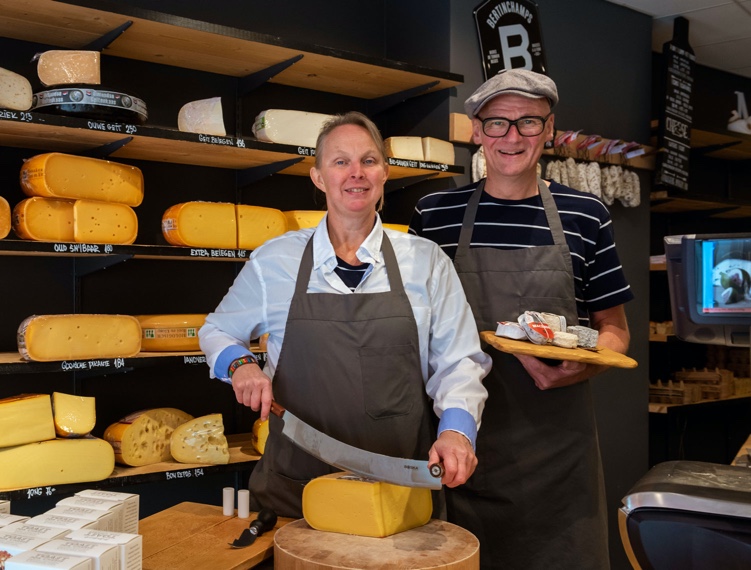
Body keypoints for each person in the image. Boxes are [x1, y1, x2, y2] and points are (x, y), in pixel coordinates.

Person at [199, 111, 490, 519]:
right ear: (318, 177)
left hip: (398, 493)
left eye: (368, 161)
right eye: (340, 162)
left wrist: (458, 433)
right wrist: (242, 365)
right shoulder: (275, 261)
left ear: (384, 173)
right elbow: (217, 330)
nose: (356, 173)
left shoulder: (425, 261)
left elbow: (459, 362)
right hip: (296, 492)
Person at [409, 69, 633, 569]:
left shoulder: (586, 215)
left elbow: (615, 329)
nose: (512, 137)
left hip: (557, 460)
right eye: (497, 123)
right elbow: (408, 327)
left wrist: (587, 365)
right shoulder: (434, 215)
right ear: (476, 131)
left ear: (549, 129)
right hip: (457, 447)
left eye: (528, 122)